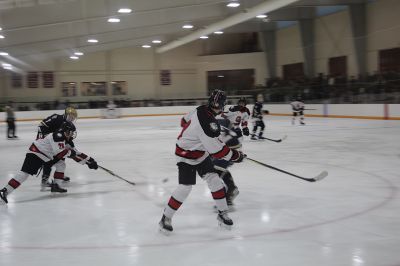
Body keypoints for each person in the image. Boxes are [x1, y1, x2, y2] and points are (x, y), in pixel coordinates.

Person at [158, 90, 246, 234]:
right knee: (185, 188)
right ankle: (165, 218)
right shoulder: (209, 124)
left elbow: (183, 121)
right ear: (222, 105)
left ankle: (223, 214)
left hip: (199, 153)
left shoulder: (200, 109)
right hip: (185, 156)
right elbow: (218, 152)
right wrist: (237, 156)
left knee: (214, 180)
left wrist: (195, 135)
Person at [0, 121, 98, 204]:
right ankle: (4, 191)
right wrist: (71, 153)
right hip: (36, 153)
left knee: (61, 164)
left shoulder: (64, 138)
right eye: (71, 132)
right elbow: (60, 154)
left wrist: (89, 161)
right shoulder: (58, 135)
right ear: (66, 130)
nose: (72, 134)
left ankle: (56, 185)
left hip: (45, 155)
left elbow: (76, 153)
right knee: (24, 174)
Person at [215, 97, 251, 206]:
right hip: (231, 142)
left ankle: (230, 190)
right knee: (218, 168)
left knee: (215, 168)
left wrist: (244, 128)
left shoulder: (216, 118)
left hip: (229, 145)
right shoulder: (227, 112)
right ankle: (231, 189)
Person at [37, 107, 78, 187]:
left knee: (62, 154)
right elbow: (41, 125)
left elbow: (68, 139)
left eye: (73, 118)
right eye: (70, 117)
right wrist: (45, 137)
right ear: (65, 115)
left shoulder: (69, 126)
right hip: (47, 140)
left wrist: (73, 149)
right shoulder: (56, 117)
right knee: (48, 159)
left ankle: (60, 174)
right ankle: (45, 179)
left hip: (56, 141)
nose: (72, 119)